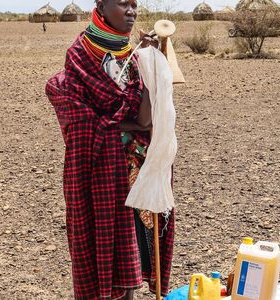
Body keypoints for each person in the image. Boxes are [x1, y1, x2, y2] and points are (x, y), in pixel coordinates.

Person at [45, 0, 175, 299]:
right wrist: (122, 126)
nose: (131, 11)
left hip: (136, 166)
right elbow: (77, 115)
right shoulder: (80, 55)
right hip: (98, 167)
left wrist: (152, 60)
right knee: (106, 240)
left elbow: (145, 117)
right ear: (101, 7)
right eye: (122, 4)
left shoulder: (133, 54)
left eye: (134, 5)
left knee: (133, 242)